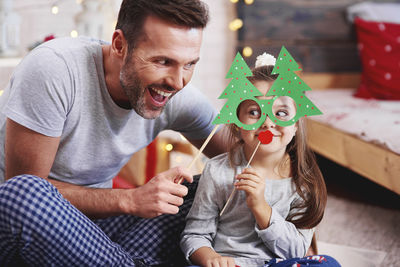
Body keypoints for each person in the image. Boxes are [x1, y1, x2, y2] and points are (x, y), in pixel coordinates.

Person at [0, 0, 226, 266]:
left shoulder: (175, 94)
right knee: (25, 193)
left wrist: (274, 123)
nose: (178, 82)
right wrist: (129, 199)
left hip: (100, 235)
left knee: (209, 184)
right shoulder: (54, 69)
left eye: (189, 64)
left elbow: (244, 154)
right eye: (163, 61)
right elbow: (22, 192)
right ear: (119, 45)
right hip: (25, 232)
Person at [180, 54, 340, 267]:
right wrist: (210, 258)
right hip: (230, 263)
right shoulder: (217, 171)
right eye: (254, 112)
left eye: (281, 112)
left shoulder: (303, 181)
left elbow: (297, 251)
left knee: (327, 264)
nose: (267, 122)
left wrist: (261, 207)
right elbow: (194, 235)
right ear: (238, 123)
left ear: (295, 125)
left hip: (278, 264)